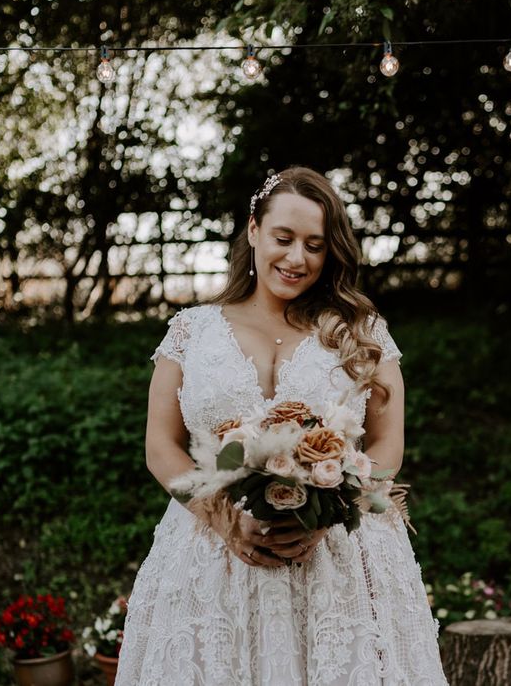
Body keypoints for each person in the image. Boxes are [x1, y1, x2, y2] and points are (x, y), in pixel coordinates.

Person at [115, 167, 447, 685]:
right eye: (284, 238)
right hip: (210, 554)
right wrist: (221, 515)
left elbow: (387, 443)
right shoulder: (191, 332)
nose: (297, 259)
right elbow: (161, 445)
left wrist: (327, 510)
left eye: (315, 245)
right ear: (253, 231)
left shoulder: (362, 332)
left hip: (338, 558)